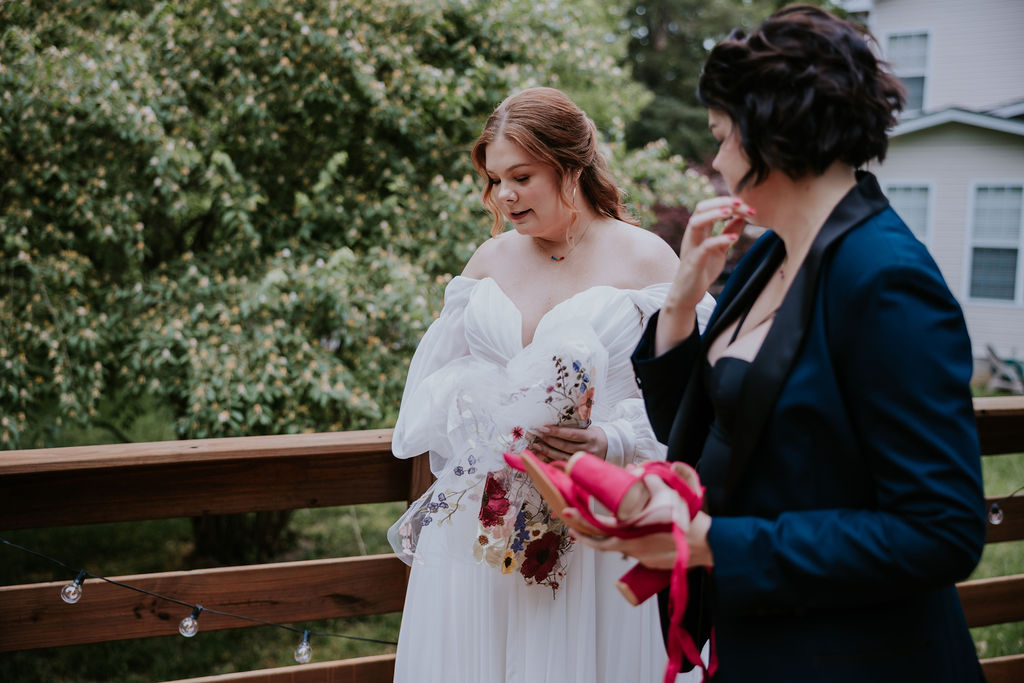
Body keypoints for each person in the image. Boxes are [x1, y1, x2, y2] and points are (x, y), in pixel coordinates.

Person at [563, 5, 987, 682]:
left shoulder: (885, 279)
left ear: (772, 136)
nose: (717, 159)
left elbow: (943, 529)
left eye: (724, 136)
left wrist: (714, 544)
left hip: (856, 657)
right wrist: (679, 301)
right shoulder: (768, 256)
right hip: (758, 646)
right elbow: (703, 430)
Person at [386, 86, 716, 682]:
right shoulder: (487, 262)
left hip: (602, 521)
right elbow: (432, 391)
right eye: (494, 180)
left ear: (572, 167)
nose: (504, 195)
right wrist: (484, 412)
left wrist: (612, 438)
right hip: (489, 525)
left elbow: (698, 398)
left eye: (522, 176)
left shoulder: (647, 262)